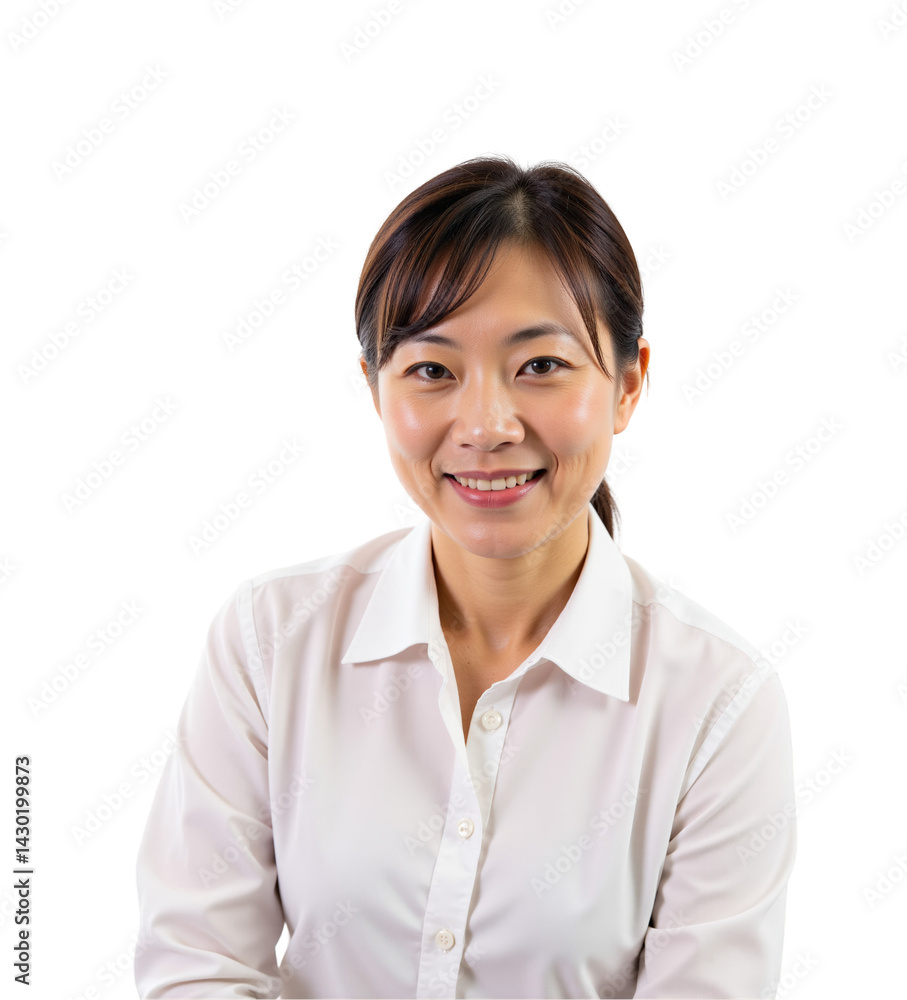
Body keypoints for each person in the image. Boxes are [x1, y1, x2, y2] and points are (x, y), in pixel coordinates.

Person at [134, 154, 796, 999]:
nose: (485, 426)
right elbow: (198, 963)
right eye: (433, 370)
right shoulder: (271, 639)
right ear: (376, 390)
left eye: (541, 366)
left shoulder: (717, 701)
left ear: (628, 383)